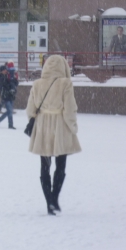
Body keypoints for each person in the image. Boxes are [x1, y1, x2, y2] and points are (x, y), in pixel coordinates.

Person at [26, 54, 81, 215]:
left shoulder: (37, 84)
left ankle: (48, 200)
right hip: (60, 127)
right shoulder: (66, 83)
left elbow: (30, 110)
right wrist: (73, 127)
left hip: (43, 128)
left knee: (44, 166)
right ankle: (54, 199)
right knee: (61, 164)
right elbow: (70, 109)